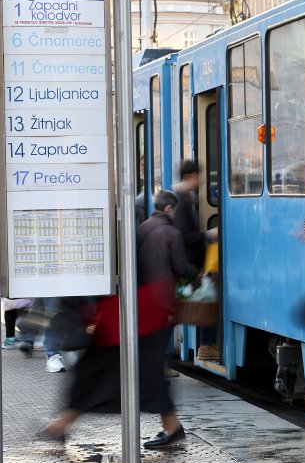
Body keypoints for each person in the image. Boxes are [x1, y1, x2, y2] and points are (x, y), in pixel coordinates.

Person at [41, 191, 201, 448]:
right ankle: (61, 426)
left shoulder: (113, 235)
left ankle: (60, 426)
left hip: (133, 316)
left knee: (108, 374)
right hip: (136, 313)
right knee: (133, 375)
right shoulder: (117, 232)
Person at [173, 160, 219, 361]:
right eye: (198, 176)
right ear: (190, 177)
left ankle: (204, 345)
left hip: (189, 262)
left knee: (200, 300)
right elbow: (183, 236)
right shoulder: (182, 203)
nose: (201, 180)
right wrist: (207, 235)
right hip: (190, 262)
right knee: (207, 299)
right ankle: (206, 346)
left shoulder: (181, 199)